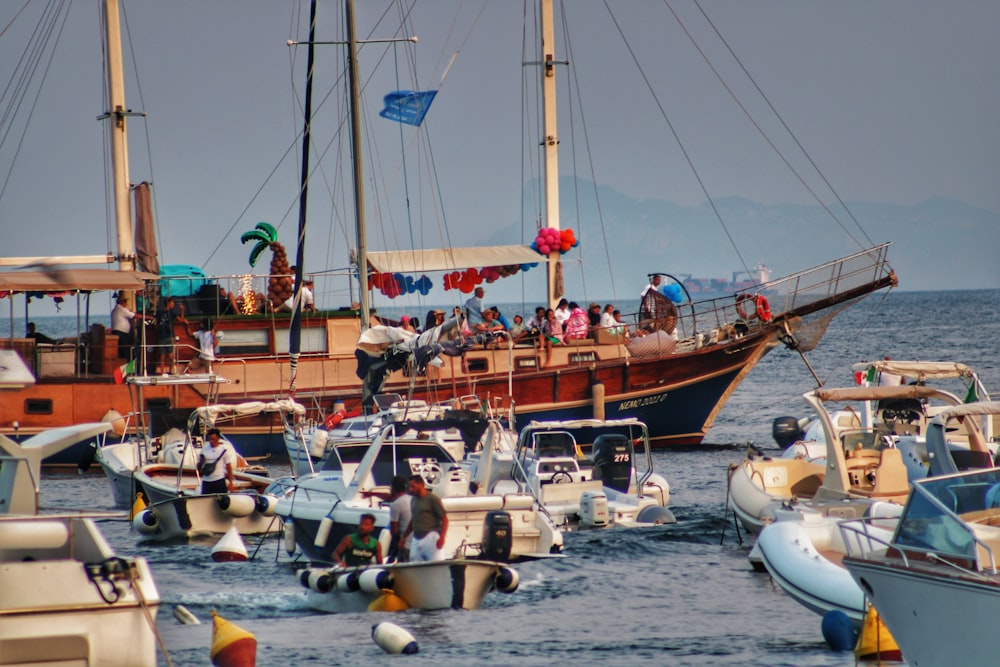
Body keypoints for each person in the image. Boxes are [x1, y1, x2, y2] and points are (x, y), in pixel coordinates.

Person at [403, 474, 448, 562]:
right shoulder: (413, 500)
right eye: (410, 487)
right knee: (414, 564)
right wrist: (404, 537)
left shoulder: (432, 499)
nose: (411, 489)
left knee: (435, 564)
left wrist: (442, 537)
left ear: (421, 484)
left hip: (431, 536)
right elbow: (413, 520)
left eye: (413, 486)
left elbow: (445, 519)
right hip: (416, 538)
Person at [198, 428, 236, 494]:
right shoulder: (204, 449)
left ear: (218, 438)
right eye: (210, 439)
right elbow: (199, 467)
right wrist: (201, 462)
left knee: (222, 501)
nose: (211, 441)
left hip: (219, 480)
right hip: (206, 481)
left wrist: (231, 483)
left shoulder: (223, 450)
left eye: (213, 439)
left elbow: (228, 467)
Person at [111, 294, 147, 361]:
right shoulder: (121, 309)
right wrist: (147, 317)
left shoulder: (116, 309)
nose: (126, 304)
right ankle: (126, 368)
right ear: (122, 302)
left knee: (124, 351)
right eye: (125, 301)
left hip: (120, 332)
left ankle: (127, 367)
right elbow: (134, 315)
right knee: (125, 352)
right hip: (121, 333)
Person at [155, 296, 186, 373]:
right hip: (163, 336)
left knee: (170, 355)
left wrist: (182, 310)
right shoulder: (160, 312)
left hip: (169, 336)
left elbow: (181, 320)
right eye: (172, 302)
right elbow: (156, 322)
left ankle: (170, 371)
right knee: (162, 355)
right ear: (168, 303)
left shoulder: (172, 312)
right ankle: (162, 372)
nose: (173, 304)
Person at [388, 475, 412, 562]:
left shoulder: (395, 504)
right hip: (417, 544)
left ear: (393, 488)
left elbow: (394, 530)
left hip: (405, 545)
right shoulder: (413, 499)